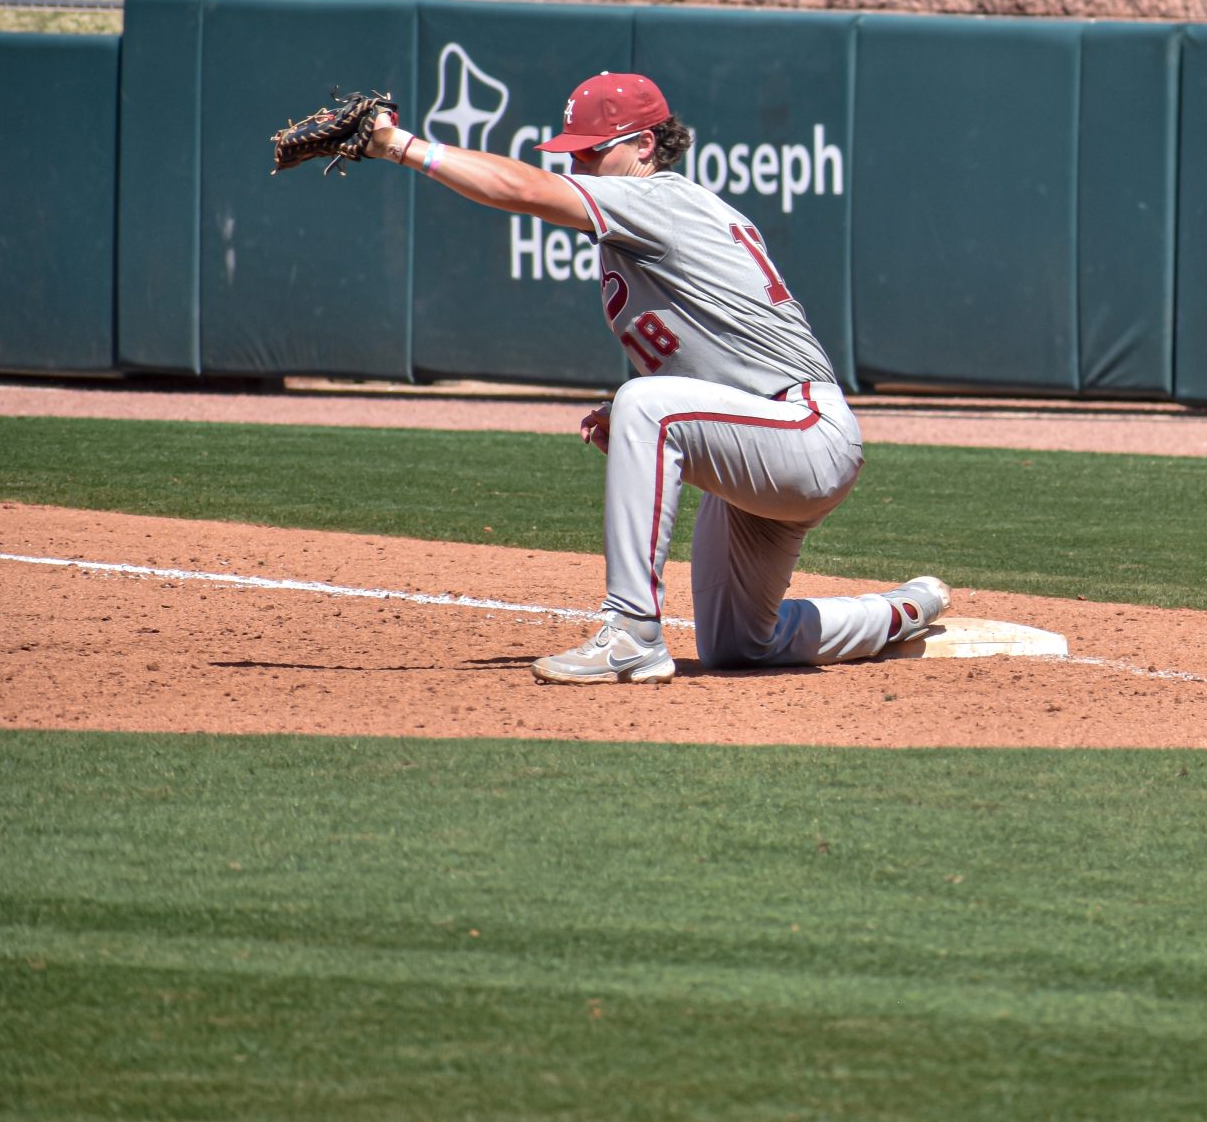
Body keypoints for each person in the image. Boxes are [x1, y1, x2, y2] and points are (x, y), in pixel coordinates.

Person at [361, 73, 948, 683]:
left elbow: (521, 189)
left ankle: (632, 632)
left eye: (594, 149)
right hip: (763, 436)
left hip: (805, 431)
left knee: (646, 403)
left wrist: (397, 145)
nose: (580, 162)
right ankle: (900, 611)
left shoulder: (660, 198)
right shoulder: (646, 219)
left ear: (645, 146)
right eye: (574, 151)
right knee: (740, 644)